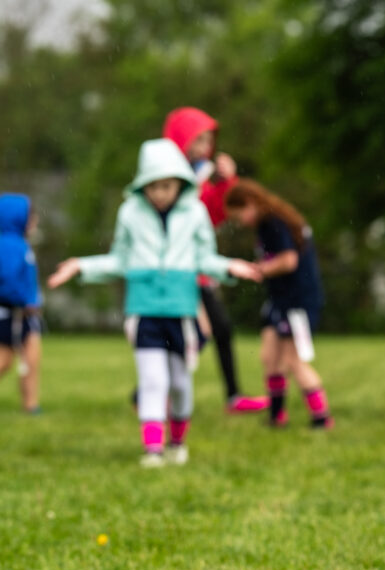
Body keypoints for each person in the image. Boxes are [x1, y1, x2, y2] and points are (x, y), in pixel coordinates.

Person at [48, 139, 261, 467]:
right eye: (152, 187)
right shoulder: (130, 212)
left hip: (181, 312)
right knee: (152, 380)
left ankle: (177, 441)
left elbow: (205, 257)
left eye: (166, 186)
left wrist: (230, 266)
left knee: (178, 383)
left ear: (179, 183)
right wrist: (82, 266)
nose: (159, 193)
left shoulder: (195, 212)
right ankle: (153, 449)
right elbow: (119, 260)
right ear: (142, 186)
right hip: (144, 311)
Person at [163, 106, 268, 412]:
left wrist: (225, 183)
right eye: (198, 140)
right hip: (178, 270)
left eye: (209, 140)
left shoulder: (201, 176)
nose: (205, 148)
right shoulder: (166, 180)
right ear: (181, 141)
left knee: (218, 329)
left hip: (199, 268)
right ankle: (150, 392)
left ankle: (232, 395)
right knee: (197, 334)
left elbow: (213, 216)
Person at [223, 180, 333, 429]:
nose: (240, 222)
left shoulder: (274, 223)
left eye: (239, 215)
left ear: (250, 204)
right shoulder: (268, 223)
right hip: (279, 301)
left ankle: (321, 417)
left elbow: (289, 261)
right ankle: (276, 416)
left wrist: (258, 269)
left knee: (294, 360)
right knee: (270, 357)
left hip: (298, 302)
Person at [0, 193, 43, 415]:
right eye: (31, 217)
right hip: (12, 312)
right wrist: (25, 301)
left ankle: (31, 404)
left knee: (32, 358)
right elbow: (7, 280)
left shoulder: (20, 244)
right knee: (4, 360)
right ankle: (30, 403)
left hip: (25, 314)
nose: (35, 221)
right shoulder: (9, 246)